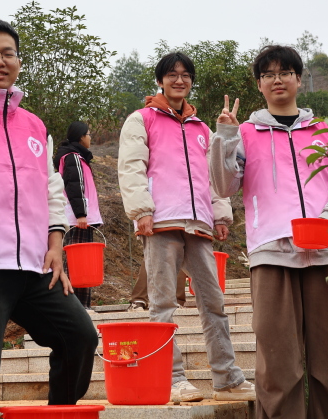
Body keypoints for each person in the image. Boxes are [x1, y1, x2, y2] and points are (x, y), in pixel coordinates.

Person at [0, 19, 99, 419]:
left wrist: (55, 244)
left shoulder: (33, 124)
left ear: (18, 61)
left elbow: (50, 188)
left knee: (79, 337)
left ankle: (60, 414)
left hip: (34, 268)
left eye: (7, 53)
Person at [210, 45, 328, 418]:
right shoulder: (245, 133)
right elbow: (224, 185)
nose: (278, 80)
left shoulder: (327, 131)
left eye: (285, 72)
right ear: (259, 84)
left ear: (298, 79)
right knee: (278, 361)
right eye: (269, 74)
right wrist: (225, 136)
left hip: (326, 252)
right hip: (271, 251)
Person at [118, 51, 254, 403]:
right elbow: (131, 168)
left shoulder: (201, 128)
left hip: (198, 223)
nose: (179, 80)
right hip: (160, 221)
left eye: (186, 75)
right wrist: (141, 210)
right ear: (160, 80)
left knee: (214, 302)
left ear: (191, 81)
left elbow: (212, 177)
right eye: (172, 74)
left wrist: (221, 215)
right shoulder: (141, 119)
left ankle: (227, 380)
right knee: (162, 304)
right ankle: (173, 379)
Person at [53, 121, 102, 309]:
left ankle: (82, 306)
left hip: (81, 218)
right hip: (79, 219)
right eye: (88, 134)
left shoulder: (77, 157)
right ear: (81, 137)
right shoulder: (73, 157)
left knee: (83, 262)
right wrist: (81, 214)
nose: (90, 138)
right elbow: (75, 186)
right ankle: (78, 306)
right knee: (79, 263)